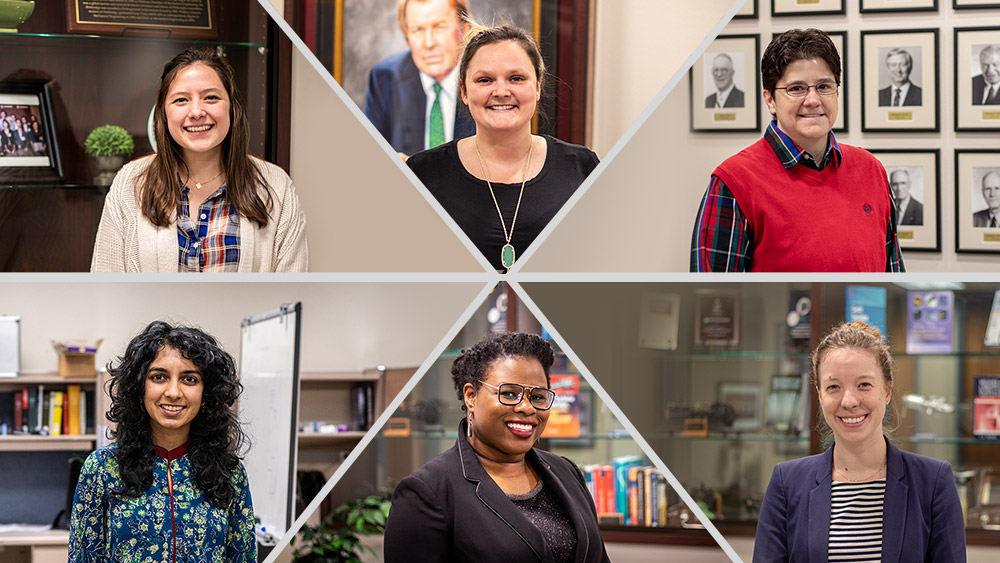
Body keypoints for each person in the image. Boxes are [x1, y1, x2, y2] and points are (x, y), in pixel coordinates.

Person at [384, 332, 610, 562]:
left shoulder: (566, 471)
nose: (527, 408)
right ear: (471, 396)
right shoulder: (427, 492)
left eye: (538, 397)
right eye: (509, 394)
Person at [691, 28, 904, 272]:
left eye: (824, 86)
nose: (813, 100)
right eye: (796, 88)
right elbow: (717, 295)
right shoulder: (733, 181)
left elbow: (893, 271)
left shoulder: (871, 171)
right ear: (770, 99)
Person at [753, 322, 966, 562]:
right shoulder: (786, 484)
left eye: (864, 384)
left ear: (886, 391)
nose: (850, 401)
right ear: (820, 395)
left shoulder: (933, 482)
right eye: (834, 387)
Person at [91, 47, 309, 272]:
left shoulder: (275, 185)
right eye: (181, 100)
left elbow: (292, 290)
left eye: (211, 97)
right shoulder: (130, 181)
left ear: (232, 108)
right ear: (163, 115)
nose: (196, 112)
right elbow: (105, 283)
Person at [407, 24, 599, 271]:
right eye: (484, 80)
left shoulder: (582, 168)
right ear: (464, 92)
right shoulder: (423, 173)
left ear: (538, 86)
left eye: (516, 78)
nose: (500, 91)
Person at [68, 321, 256, 562]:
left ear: (206, 394)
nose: (174, 392)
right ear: (139, 388)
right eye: (159, 377)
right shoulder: (102, 468)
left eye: (189, 379)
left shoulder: (229, 472)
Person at [364, 0, 476, 157]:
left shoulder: (488, 79)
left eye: (439, 27)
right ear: (407, 36)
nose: (429, 43)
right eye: (418, 30)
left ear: (464, 30)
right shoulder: (384, 79)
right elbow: (369, 157)